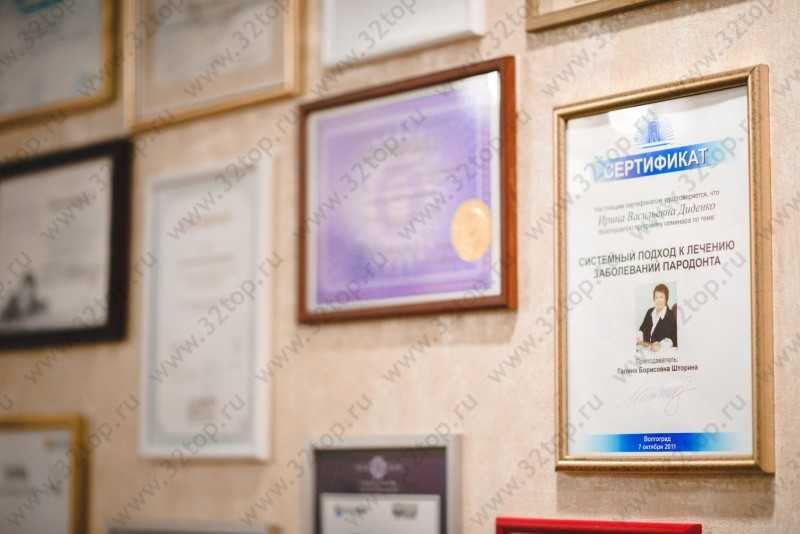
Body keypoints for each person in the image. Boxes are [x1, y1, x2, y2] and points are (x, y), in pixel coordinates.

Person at [636, 283, 677, 351]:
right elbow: (641, 329)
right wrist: (638, 337)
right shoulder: (650, 312)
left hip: (660, 353)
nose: (658, 300)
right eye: (656, 297)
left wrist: (660, 345)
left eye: (661, 297)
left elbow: (672, 340)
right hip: (645, 349)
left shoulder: (670, 316)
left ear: (666, 299)